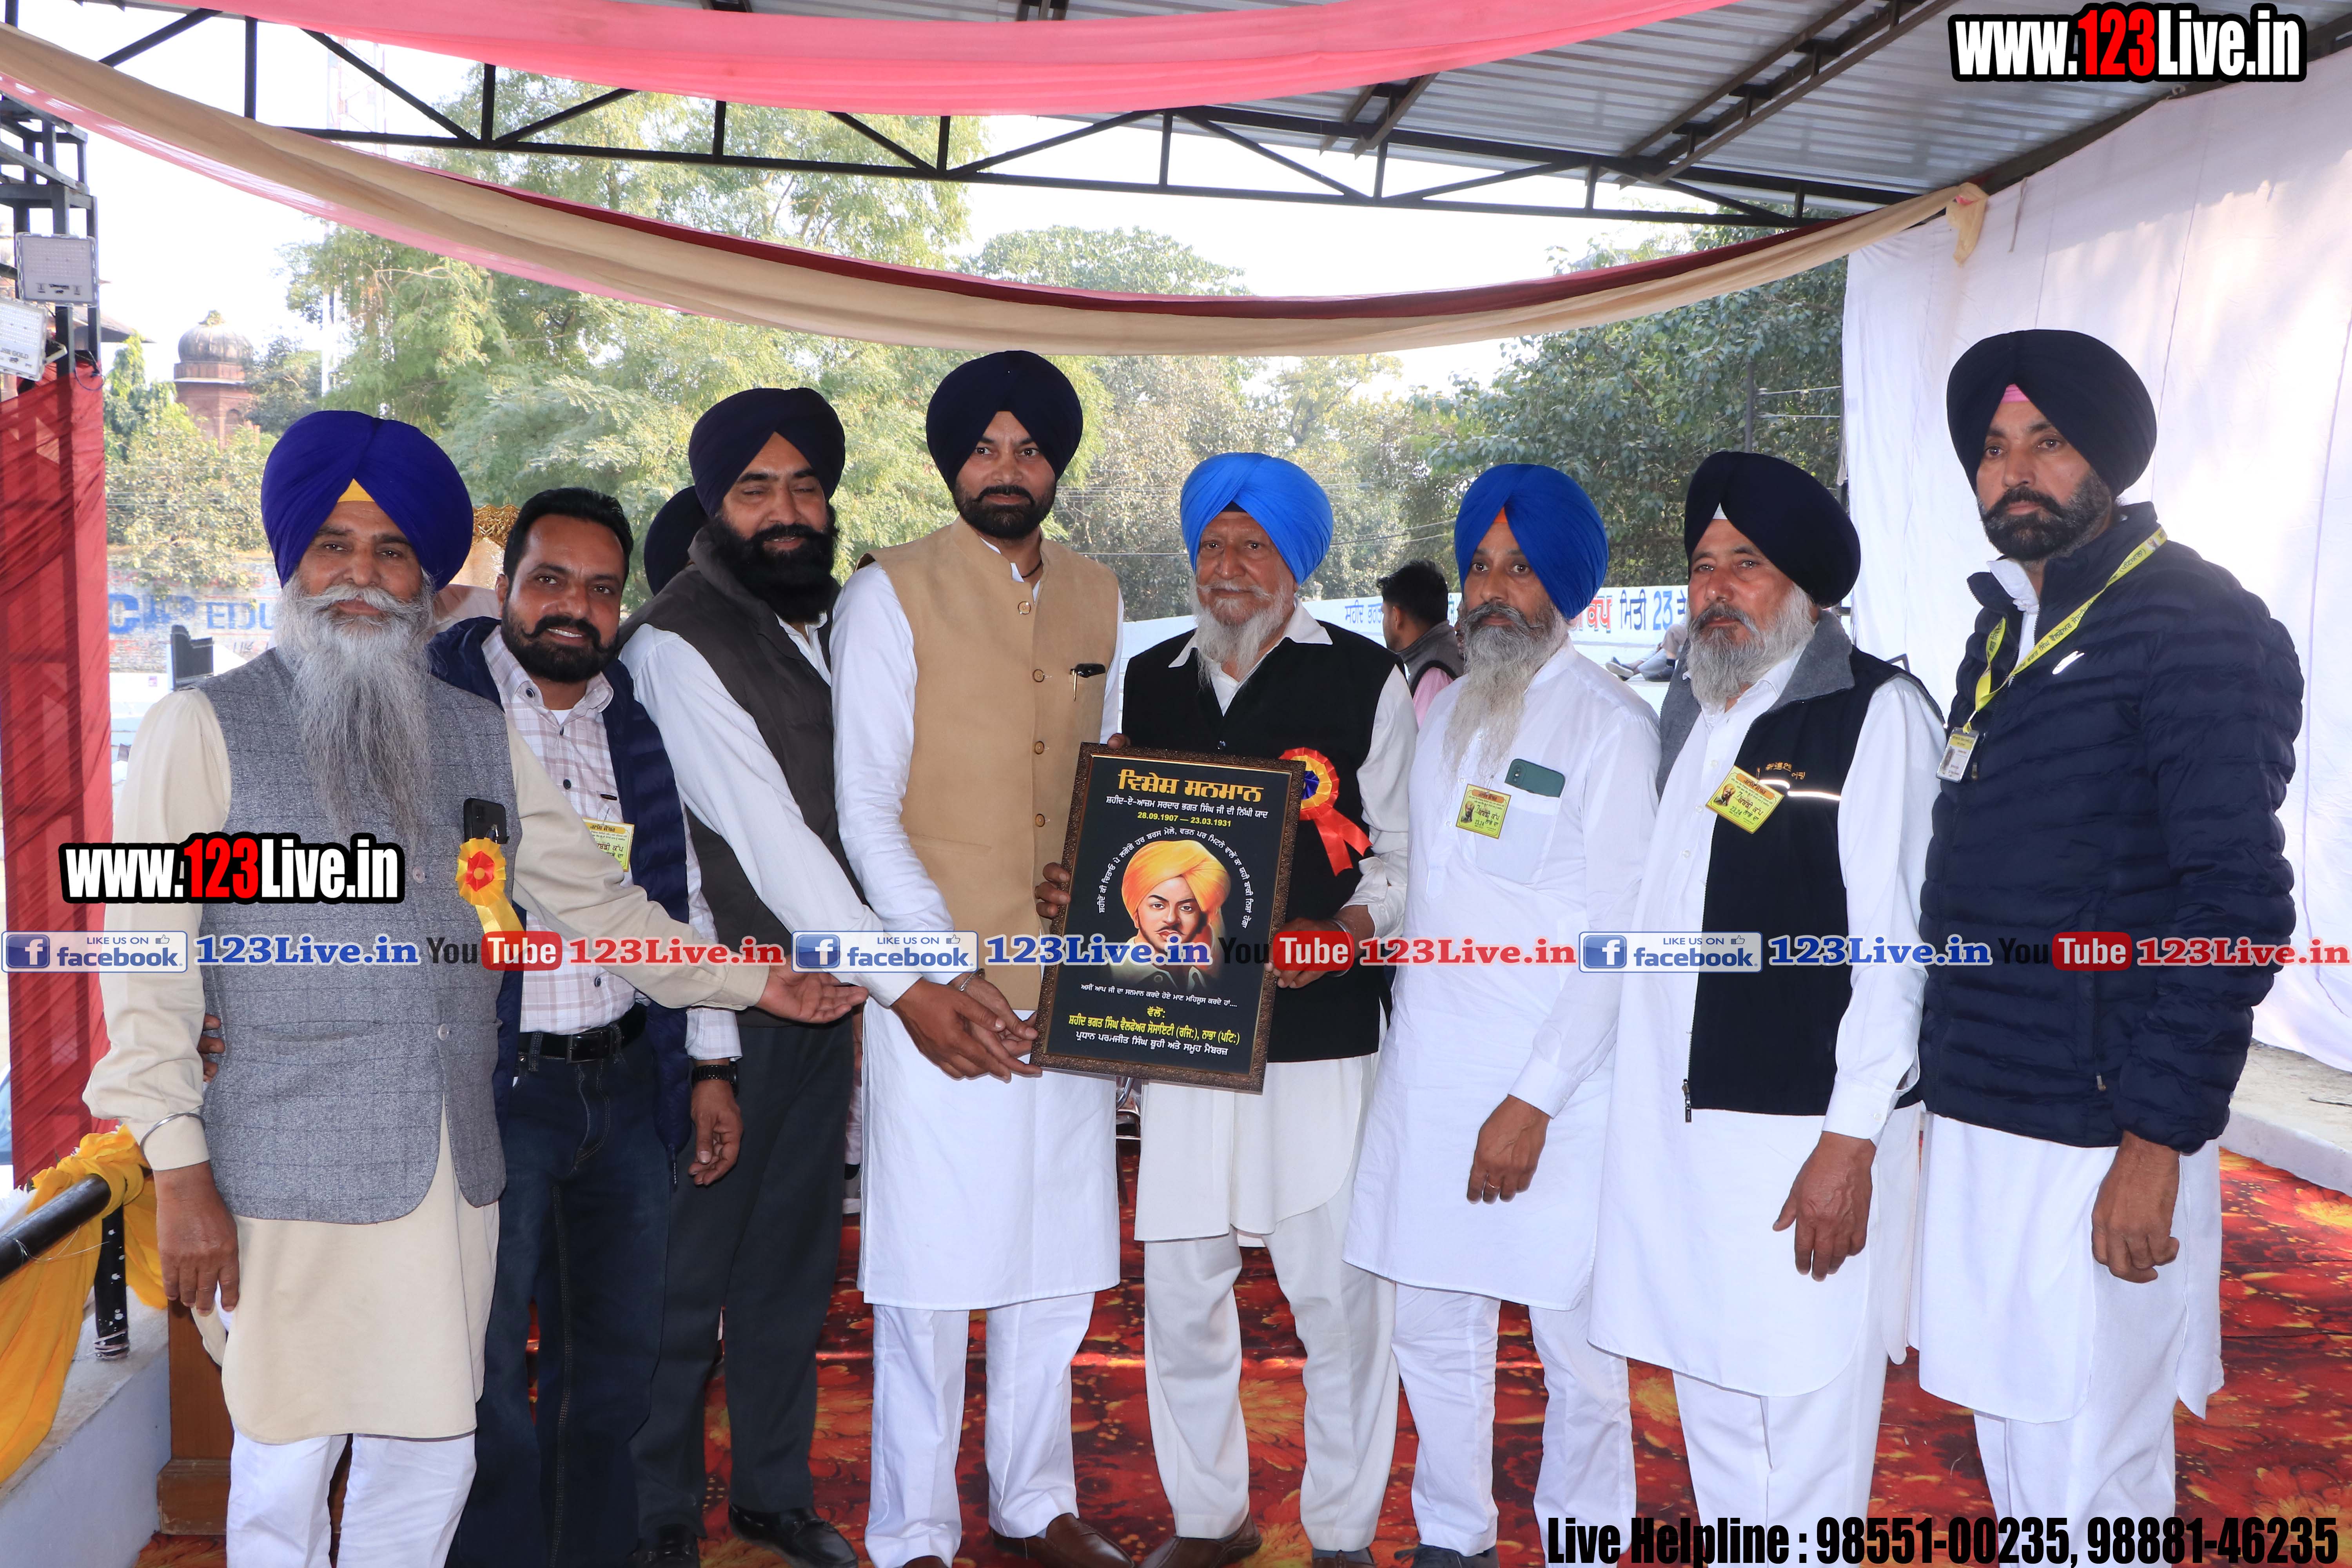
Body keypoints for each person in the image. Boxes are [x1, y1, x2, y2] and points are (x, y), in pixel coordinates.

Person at [84, 411, 857, 1568]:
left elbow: (599, 905)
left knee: (435, 1454)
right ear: (292, 560)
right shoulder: (204, 725)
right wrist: (178, 1167)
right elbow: (147, 959)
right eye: (335, 545)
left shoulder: (474, 735)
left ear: (428, 581)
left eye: (393, 551)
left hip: (452, 1174)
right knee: (287, 1462)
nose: (362, 574)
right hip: (283, 1173)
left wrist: (756, 980)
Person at [618, 390, 1023, 1568]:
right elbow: (774, 846)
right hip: (722, 1009)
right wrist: (911, 982)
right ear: (713, 504)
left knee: (791, 1265)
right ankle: (655, 1511)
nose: (786, 510)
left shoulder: (822, 626)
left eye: (805, 486)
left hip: (823, 1005)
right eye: (756, 488)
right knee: (687, 1274)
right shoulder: (676, 642)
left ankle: (771, 1493)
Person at [1914, 330, 2301, 1528]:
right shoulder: (2002, 629)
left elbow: (2233, 902)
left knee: (2091, 1471)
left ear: (2109, 458)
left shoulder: (2193, 621)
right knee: (2018, 1450)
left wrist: (2155, 1137)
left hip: (2100, 1125)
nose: (2014, 472)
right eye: (1993, 449)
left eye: (2047, 442)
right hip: (1988, 1110)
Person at [1043, 452, 1410, 1568]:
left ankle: (1342, 1532)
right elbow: (1127, 838)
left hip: (1318, 1036)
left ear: (1296, 561)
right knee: (1182, 1290)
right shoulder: (1150, 676)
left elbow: (1404, 858)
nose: (1229, 566)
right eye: (1212, 545)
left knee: (1335, 1296)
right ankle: (1210, 1521)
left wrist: (1349, 930)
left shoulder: (1366, 678)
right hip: (1185, 1031)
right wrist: (1083, 885)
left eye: (1253, 545)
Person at [1588, 450, 1945, 1524]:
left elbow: (1897, 947)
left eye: (1746, 563)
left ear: (1807, 587)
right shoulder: (1697, 715)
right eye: (1703, 566)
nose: (1717, 589)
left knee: (1804, 1427)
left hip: (1803, 1137)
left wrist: (1850, 1141)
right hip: (1685, 1138)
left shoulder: (1873, 712)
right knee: (1716, 1414)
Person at [832, 350, 1129, 1568]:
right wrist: (940, 972)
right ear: (950, 461)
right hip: (936, 995)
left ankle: (1033, 1501)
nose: (1006, 469)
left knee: (1054, 1257)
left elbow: (1108, 778)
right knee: (929, 1271)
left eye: (1029, 449)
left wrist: (1095, 875)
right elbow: (864, 808)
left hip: (1066, 986)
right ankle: (911, 1528)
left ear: (1056, 465)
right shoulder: (887, 592)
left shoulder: (1100, 594)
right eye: (985, 448)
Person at [423, 487, 740, 1568]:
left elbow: (679, 900)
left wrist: (712, 1063)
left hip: (623, 1088)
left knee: (613, 1374)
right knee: (482, 1379)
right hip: (495, 1094)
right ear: (506, 586)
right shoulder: (443, 709)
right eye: (550, 579)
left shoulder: (633, 725)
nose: (575, 606)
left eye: (602, 589)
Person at [1345, 465, 1654, 1563]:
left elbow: (1620, 941)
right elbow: (1425, 884)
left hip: (1558, 1093)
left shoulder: (1613, 727)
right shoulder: (1446, 717)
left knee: (1580, 1349)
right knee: (1432, 1324)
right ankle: (1454, 1533)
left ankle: (1586, 1541)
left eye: (1520, 568)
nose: (1492, 590)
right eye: (1480, 566)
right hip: (1432, 1074)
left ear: (1565, 585)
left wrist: (1534, 1099)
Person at [1109, 838, 1229, 994]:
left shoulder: (1207, 985)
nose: (1172, 919)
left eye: (1186, 908)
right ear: (1136, 915)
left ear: (1202, 921)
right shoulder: (1103, 975)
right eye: (1158, 906)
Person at [1378, 559, 1462, 724]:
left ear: (1397, 617)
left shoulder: (1434, 676)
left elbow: (1420, 740)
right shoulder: (1445, 655)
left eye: (1384, 614)